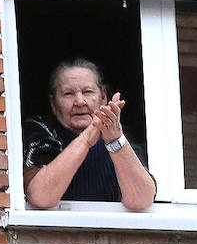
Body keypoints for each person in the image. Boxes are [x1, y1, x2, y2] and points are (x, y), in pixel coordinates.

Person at [22, 59, 156, 211]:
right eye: (68, 94)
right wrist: (86, 138)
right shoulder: (41, 129)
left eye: (88, 92)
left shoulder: (122, 138)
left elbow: (141, 201)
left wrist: (115, 141)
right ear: (53, 103)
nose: (79, 101)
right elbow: (40, 196)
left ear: (103, 97)